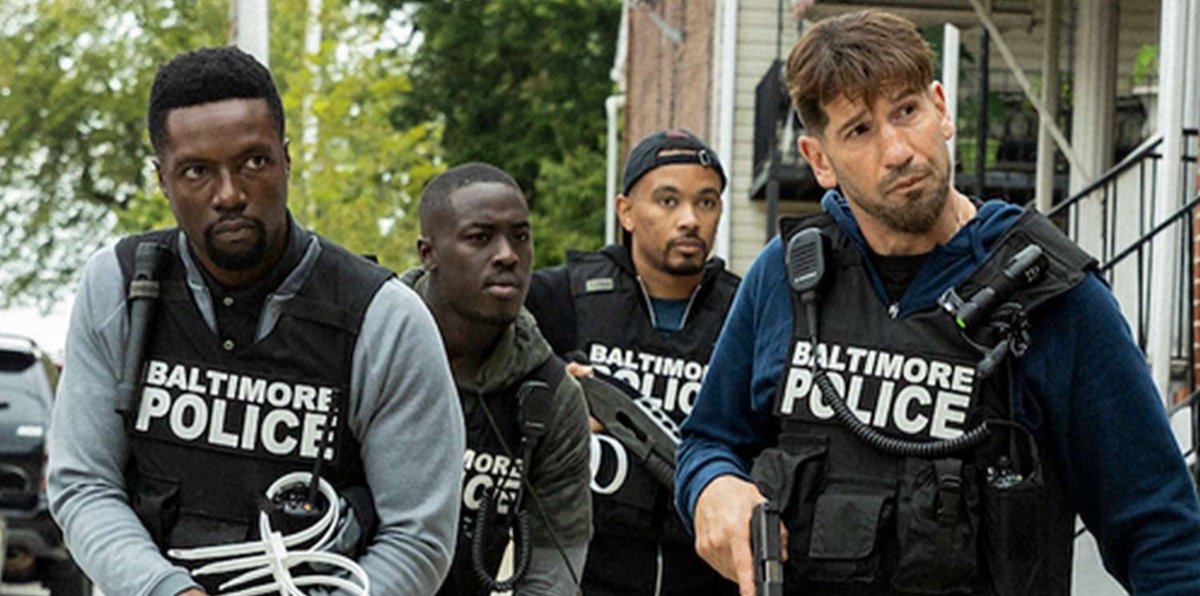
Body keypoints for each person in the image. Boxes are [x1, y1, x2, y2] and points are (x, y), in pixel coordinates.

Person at [675, 9, 1200, 595]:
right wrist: (711, 486)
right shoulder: (787, 276)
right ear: (819, 159)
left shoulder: (1053, 297)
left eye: (907, 111)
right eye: (859, 130)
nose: (898, 150)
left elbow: (1161, 530)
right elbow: (708, 441)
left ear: (942, 108)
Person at [47, 46, 465, 596]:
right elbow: (83, 485)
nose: (230, 194)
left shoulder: (384, 320)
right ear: (162, 180)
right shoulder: (117, 287)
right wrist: (165, 589)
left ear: (286, 160)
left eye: (253, 162)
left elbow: (418, 537)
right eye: (197, 171)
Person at [526, 129, 740, 595]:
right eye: (668, 201)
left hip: (707, 577)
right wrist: (555, 404)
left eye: (706, 203)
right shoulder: (562, 297)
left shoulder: (747, 311)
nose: (690, 220)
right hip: (585, 573)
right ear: (625, 211)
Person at [402, 162, 593, 595]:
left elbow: (554, 568)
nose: (508, 255)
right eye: (480, 237)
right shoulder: (369, 350)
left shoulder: (551, 395)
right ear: (428, 253)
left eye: (520, 237)